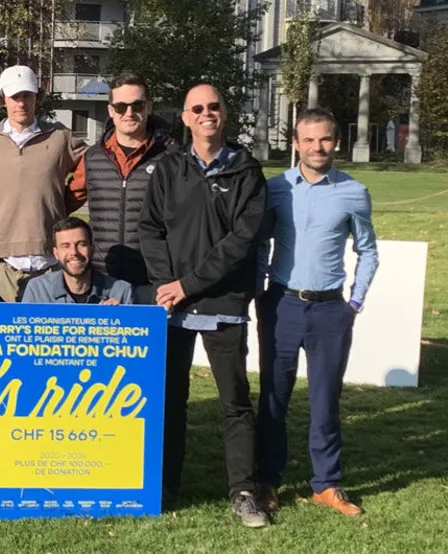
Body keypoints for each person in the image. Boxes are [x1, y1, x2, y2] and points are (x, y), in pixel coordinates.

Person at [138, 84, 269, 528]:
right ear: (186, 118)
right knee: (170, 400)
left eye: (213, 106)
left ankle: (244, 492)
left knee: (235, 402)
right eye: (197, 108)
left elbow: (241, 243)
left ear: (224, 113)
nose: (206, 113)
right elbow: (150, 229)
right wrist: (165, 285)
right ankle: (165, 486)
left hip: (223, 303)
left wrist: (186, 285)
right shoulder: (169, 168)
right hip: (172, 306)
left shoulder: (247, 171)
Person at [256, 108, 378, 517]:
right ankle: (267, 481)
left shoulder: (354, 192)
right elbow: (259, 242)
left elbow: (368, 250)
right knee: (273, 398)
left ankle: (326, 484)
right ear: (296, 144)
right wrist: (259, 290)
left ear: (336, 142)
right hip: (281, 304)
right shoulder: (276, 188)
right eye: (308, 140)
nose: (317, 147)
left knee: (326, 401)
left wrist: (354, 303)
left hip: (330, 311)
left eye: (325, 139)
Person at [0, 65, 88, 302]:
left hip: (50, 263)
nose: (21, 103)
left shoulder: (60, 137)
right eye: (15, 97)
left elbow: (93, 166)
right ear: (3, 99)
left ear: (37, 97)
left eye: (27, 96)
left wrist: (62, 204)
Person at [65, 72, 175, 304]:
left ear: (148, 107)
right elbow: (64, 203)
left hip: (152, 281)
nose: (129, 113)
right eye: (121, 106)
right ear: (111, 110)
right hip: (103, 281)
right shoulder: (92, 158)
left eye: (137, 105)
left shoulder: (171, 157)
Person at [22, 217, 133, 305]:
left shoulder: (122, 291)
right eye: (65, 246)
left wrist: (119, 317)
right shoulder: (37, 289)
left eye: (81, 244)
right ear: (56, 253)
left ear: (92, 249)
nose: (74, 252)